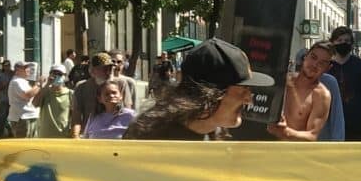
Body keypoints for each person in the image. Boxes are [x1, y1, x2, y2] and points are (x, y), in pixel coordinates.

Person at [125, 38, 271, 139]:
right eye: (243, 89)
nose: (249, 100)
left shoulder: (217, 135)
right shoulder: (151, 139)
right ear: (209, 94)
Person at [274, 42, 335, 141]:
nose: (315, 64)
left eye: (322, 63)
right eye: (313, 57)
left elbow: (312, 135)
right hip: (257, 147)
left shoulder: (321, 95)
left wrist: (285, 132)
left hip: (290, 152)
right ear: (305, 56)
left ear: (328, 68)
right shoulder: (281, 81)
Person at [328, 29, 361, 142]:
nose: (343, 43)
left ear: (352, 43)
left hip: (357, 125)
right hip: (330, 123)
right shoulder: (326, 66)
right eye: (339, 40)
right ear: (332, 43)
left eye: (346, 40)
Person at [70, 53, 117, 137]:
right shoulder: (81, 87)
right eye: (104, 69)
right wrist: (75, 137)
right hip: (90, 136)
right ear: (92, 71)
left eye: (110, 68)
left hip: (114, 135)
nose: (108, 72)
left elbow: (128, 114)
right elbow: (76, 117)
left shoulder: (120, 85)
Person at [31, 66, 73, 139]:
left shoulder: (70, 93)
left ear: (65, 76)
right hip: (45, 136)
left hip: (63, 136)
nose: (56, 76)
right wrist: (47, 84)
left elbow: (74, 114)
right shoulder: (45, 92)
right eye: (53, 73)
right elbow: (35, 103)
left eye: (59, 74)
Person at [3, 60, 38, 139]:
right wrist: (39, 84)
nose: (28, 69)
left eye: (28, 67)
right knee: (24, 146)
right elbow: (27, 95)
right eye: (25, 68)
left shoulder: (23, 81)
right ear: (18, 70)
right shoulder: (16, 82)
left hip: (28, 117)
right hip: (22, 118)